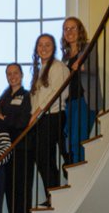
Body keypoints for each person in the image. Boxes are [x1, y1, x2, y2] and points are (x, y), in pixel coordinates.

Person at [0, 62, 35, 213]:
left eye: (15, 73)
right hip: (7, 151)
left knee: (22, 188)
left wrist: (5, 120)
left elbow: (23, 122)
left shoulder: (27, 96)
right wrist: (6, 121)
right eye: (9, 74)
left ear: (22, 75)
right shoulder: (3, 98)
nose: (12, 76)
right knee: (10, 190)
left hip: (23, 149)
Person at [29, 33, 69, 196]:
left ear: (53, 48)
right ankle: (51, 195)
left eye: (47, 45)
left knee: (45, 158)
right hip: (41, 119)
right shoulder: (40, 70)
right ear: (36, 49)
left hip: (53, 116)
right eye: (40, 45)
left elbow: (57, 93)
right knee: (43, 159)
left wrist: (37, 113)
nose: (43, 48)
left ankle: (54, 196)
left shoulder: (58, 67)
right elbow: (35, 98)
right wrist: (33, 114)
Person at [61, 17, 102, 163]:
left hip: (84, 100)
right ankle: (75, 169)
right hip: (69, 103)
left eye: (73, 28)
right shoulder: (65, 56)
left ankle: (79, 171)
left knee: (79, 139)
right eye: (66, 29)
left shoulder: (88, 47)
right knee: (70, 140)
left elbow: (94, 68)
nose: (69, 31)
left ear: (80, 30)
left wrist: (81, 66)